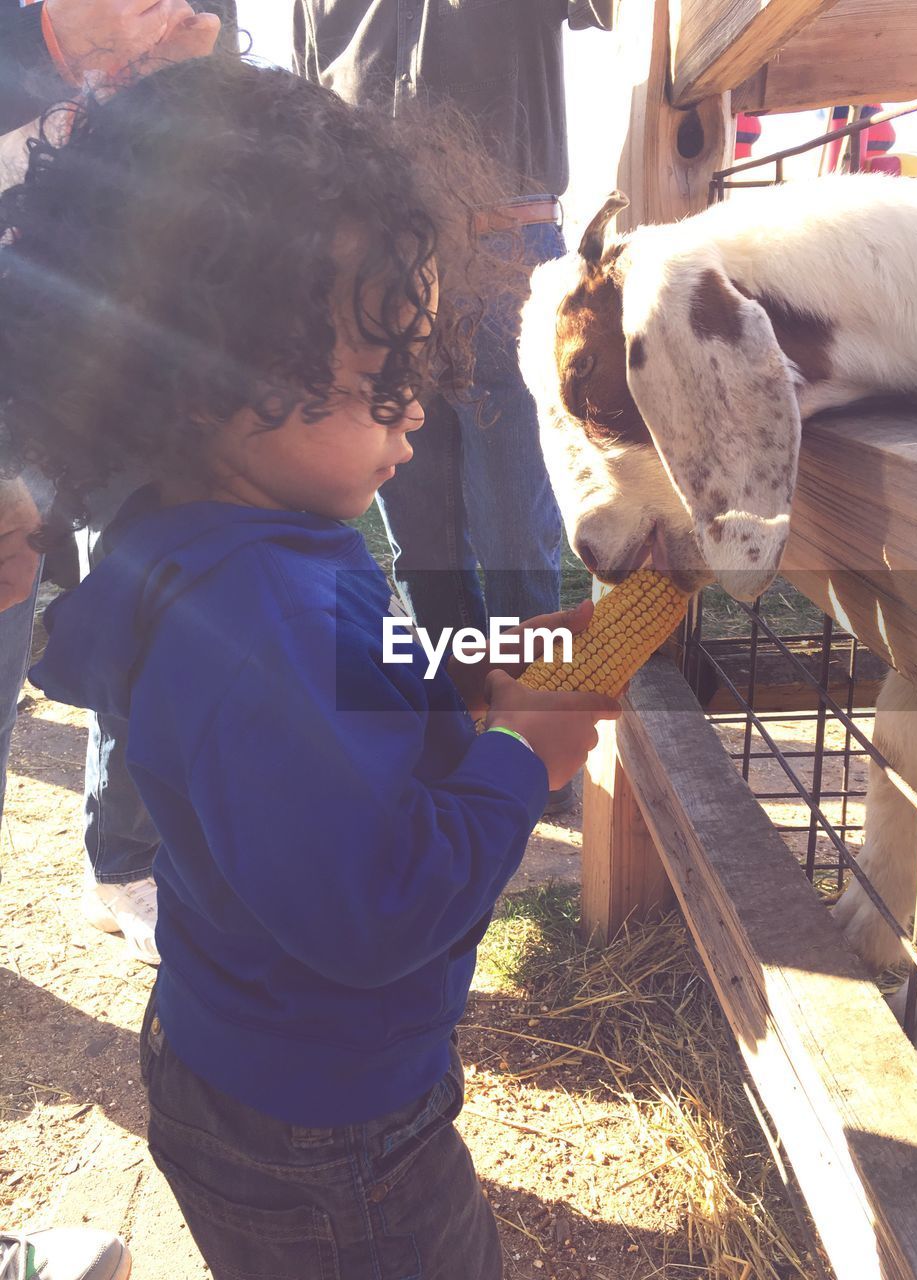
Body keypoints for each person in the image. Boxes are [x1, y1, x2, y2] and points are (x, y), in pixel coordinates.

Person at [0, 57, 620, 1278]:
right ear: (204, 381)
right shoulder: (259, 604)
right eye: (382, 384)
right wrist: (517, 756)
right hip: (334, 1134)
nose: (416, 416)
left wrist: (451, 673)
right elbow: (373, 905)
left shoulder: (201, 547)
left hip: (238, 1056)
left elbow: (312, 712)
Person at [295, 0, 614, 814]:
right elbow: (305, 115)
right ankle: (450, 740)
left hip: (510, 250)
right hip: (371, 267)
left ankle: (540, 761)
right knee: (419, 536)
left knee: (516, 532)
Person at [0, 0, 234, 968]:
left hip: (130, 378)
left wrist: (202, 92)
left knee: (164, 593)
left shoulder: (193, 33)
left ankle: (123, 863)